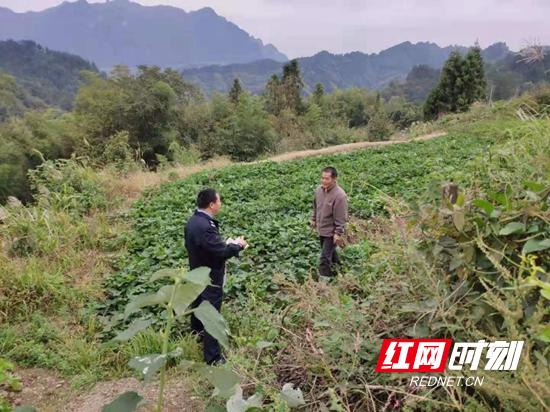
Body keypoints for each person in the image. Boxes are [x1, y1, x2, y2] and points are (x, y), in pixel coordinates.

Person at [184, 188, 247, 364]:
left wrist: (223, 245)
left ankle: (197, 337)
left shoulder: (193, 221)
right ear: (212, 205)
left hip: (197, 273)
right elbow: (221, 252)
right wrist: (238, 246)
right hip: (210, 278)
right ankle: (213, 358)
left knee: (197, 308)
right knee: (211, 315)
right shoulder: (205, 227)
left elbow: (205, 247)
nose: (220, 203)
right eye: (219, 200)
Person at [310, 166, 348, 280]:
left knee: (324, 259)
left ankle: (324, 284)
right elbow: (316, 206)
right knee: (330, 252)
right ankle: (340, 270)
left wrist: (338, 233)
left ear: (334, 179)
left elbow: (341, 217)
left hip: (331, 232)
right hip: (322, 229)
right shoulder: (318, 190)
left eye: (327, 179)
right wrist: (314, 219)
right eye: (322, 178)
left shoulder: (340, 195)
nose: (324, 181)